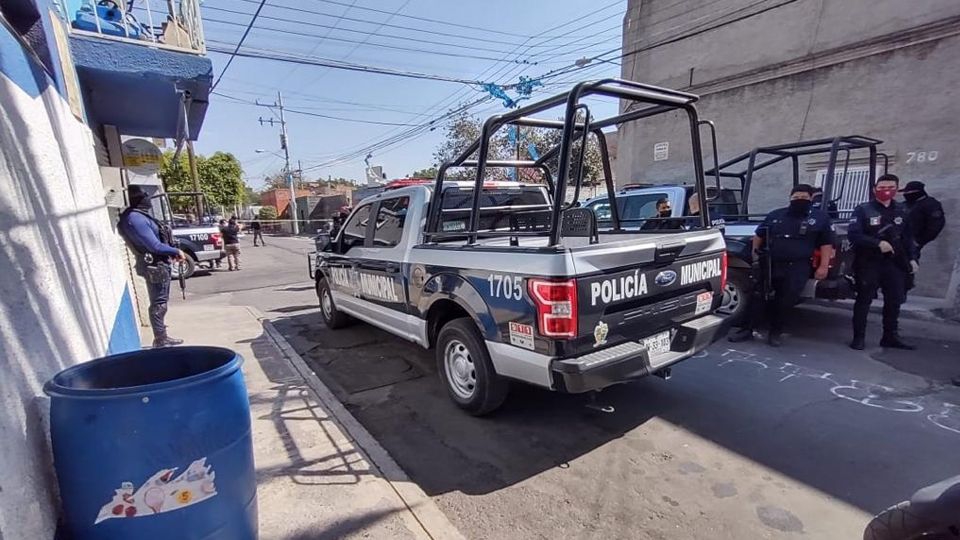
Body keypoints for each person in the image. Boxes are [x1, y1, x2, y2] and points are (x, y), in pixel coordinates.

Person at [729, 184, 835, 347]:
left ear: (811, 199)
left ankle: (775, 333)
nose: (799, 200)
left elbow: (826, 244)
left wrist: (823, 266)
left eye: (804, 198)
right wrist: (755, 255)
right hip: (772, 263)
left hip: (798, 266)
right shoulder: (776, 215)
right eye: (796, 198)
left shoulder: (820, 218)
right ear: (790, 198)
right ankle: (747, 329)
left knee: (785, 301)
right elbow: (759, 235)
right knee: (758, 297)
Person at [848, 174, 919, 350]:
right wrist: (877, 243)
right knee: (864, 300)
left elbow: (908, 238)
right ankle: (859, 338)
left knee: (894, 300)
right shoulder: (863, 209)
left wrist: (912, 259)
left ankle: (890, 336)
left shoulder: (902, 210)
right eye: (881, 187)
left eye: (890, 187)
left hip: (895, 263)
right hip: (869, 262)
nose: (886, 191)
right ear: (874, 189)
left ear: (896, 188)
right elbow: (854, 235)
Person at [117, 185, 185, 348]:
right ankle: (160, 338)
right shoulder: (135, 218)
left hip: (158, 263)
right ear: (140, 199)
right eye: (146, 196)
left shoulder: (137, 216)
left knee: (160, 301)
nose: (149, 199)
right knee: (159, 302)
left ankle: (161, 334)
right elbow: (154, 245)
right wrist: (175, 250)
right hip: (155, 265)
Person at [900, 180, 945, 259]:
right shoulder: (905, 204)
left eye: (908, 192)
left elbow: (935, 226)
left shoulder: (930, 204)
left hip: (913, 243)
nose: (905, 195)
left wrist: (919, 241)